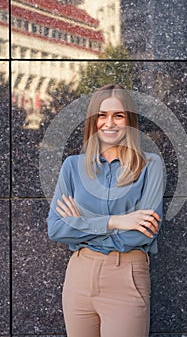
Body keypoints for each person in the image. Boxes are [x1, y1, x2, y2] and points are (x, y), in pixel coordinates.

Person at [46, 84, 163, 337]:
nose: (109, 123)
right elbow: (56, 228)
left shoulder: (150, 165)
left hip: (126, 277)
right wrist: (115, 222)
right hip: (79, 276)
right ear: (93, 120)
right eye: (102, 115)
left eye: (118, 115)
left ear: (129, 120)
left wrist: (80, 224)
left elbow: (142, 234)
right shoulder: (72, 167)